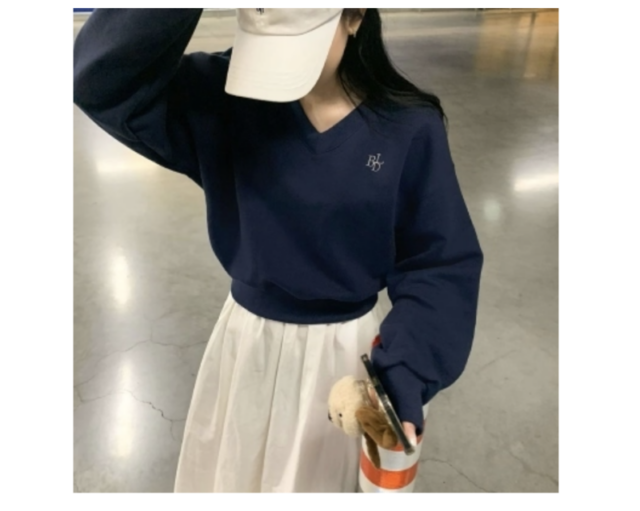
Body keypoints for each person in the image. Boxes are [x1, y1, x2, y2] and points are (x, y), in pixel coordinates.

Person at [73, 8, 483, 493]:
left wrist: (405, 372)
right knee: (236, 475)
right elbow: (101, 79)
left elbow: (438, 262)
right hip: (246, 345)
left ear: (354, 15)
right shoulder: (224, 97)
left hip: (342, 363)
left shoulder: (406, 127)